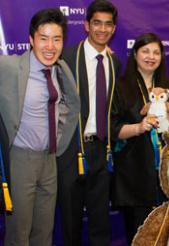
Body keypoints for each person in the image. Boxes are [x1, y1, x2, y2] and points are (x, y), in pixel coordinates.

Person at [0, 8, 79, 246]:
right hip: (20, 159)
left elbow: (70, 105)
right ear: (31, 39)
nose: (50, 46)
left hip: (49, 160)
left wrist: (60, 141)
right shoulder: (9, 67)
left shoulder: (61, 69)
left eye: (57, 39)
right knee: (19, 232)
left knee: (44, 230)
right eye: (43, 38)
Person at [56, 0, 120, 245]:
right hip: (71, 149)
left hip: (101, 149)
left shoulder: (114, 63)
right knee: (70, 218)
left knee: (100, 217)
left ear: (114, 29)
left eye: (107, 24)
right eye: (97, 23)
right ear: (86, 25)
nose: (102, 29)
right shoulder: (67, 57)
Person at [111, 32, 169, 245]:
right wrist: (139, 127)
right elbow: (114, 130)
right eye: (145, 51)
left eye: (156, 52)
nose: (151, 56)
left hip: (168, 171)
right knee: (140, 233)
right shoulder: (121, 86)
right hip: (134, 171)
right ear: (135, 54)